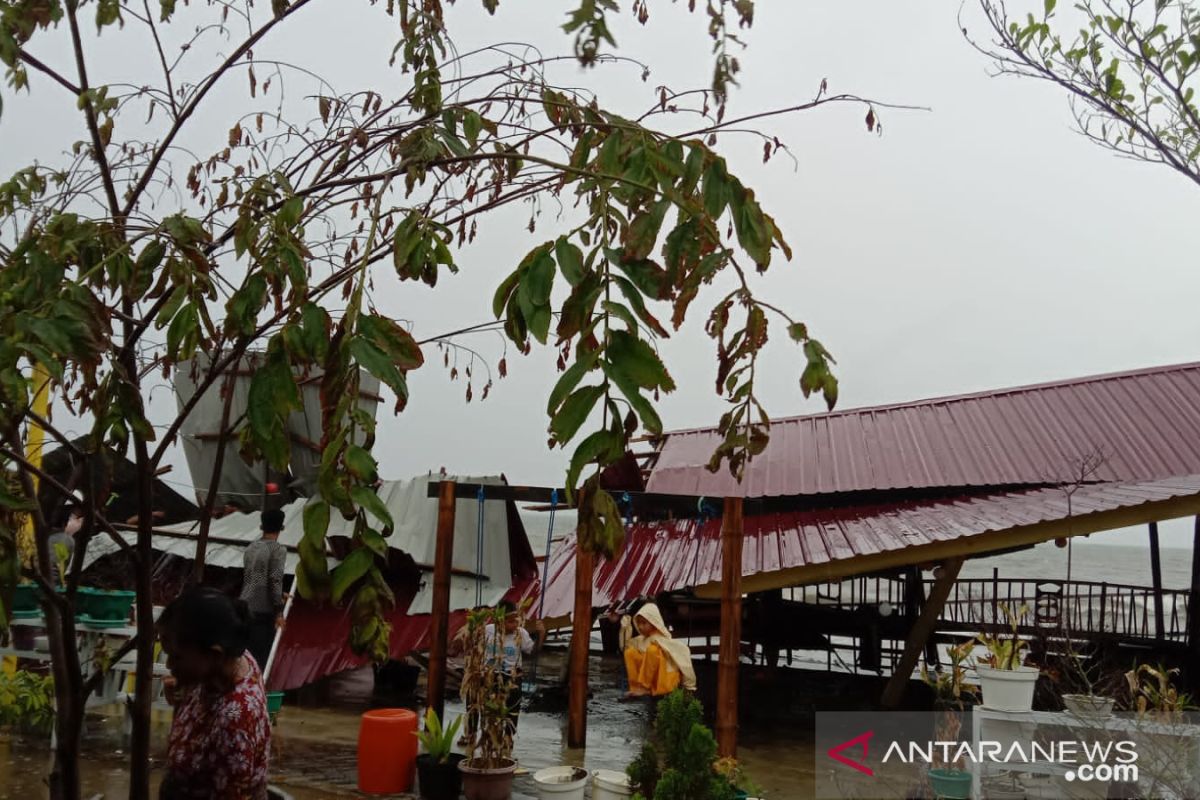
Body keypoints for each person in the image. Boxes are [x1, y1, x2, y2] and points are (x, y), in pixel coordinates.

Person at [158, 586, 271, 800]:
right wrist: (184, 696)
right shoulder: (234, 658)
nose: (169, 665)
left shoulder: (232, 722)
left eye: (177, 657)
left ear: (215, 654)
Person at [482, 601, 545, 728]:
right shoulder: (487, 631)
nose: (515, 625)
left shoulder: (520, 633)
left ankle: (508, 742)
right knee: (490, 716)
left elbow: (532, 653)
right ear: (500, 621)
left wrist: (542, 634)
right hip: (491, 677)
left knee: (512, 715)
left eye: (516, 621)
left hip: (512, 678)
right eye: (511, 622)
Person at [240, 509, 287, 670]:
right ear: (282, 528)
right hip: (262, 612)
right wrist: (279, 611)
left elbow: (255, 579)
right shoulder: (277, 549)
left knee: (245, 658)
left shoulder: (251, 548)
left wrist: (280, 594)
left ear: (261, 526)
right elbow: (274, 579)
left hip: (244, 607)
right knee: (259, 661)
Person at [622, 602, 697, 699]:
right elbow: (625, 647)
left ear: (653, 622)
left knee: (652, 650)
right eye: (639, 623)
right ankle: (637, 687)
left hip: (666, 680)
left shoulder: (664, 641)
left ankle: (645, 687)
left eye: (644, 623)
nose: (640, 627)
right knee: (630, 652)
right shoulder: (641, 639)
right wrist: (626, 628)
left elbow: (684, 659)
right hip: (652, 681)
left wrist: (689, 685)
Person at [47, 505, 83, 586]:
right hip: (53, 585)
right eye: (75, 518)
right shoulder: (65, 540)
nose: (79, 522)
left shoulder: (45, 537)